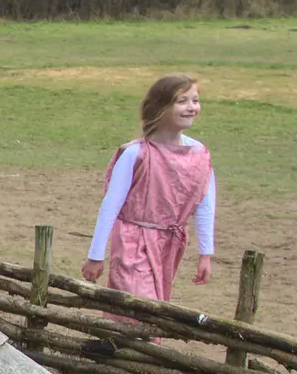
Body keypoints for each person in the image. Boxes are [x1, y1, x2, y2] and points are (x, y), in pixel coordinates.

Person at [79, 73, 215, 351]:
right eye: (182, 101)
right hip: (133, 240)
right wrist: (96, 255)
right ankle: (123, 353)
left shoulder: (199, 154)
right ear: (160, 106)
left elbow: (204, 203)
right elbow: (111, 204)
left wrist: (205, 253)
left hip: (170, 243)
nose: (192, 107)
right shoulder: (136, 154)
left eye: (195, 100)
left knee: (155, 306)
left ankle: (128, 359)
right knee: (138, 303)